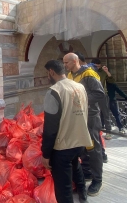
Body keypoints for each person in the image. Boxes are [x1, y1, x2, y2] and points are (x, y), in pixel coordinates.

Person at [41, 60, 91, 203]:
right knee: (76, 166)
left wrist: (46, 153)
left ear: (51, 72)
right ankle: (83, 194)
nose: (47, 77)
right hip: (80, 141)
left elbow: (50, 127)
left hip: (62, 147)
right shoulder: (80, 87)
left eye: (47, 73)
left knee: (64, 188)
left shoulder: (54, 91)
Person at [63, 53, 106, 197]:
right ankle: (87, 172)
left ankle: (97, 180)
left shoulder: (89, 74)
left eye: (67, 63)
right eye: (64, 63)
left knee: (93, 148)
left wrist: (80, 100)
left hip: (91, 117)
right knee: (82, 147)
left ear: (75, 61)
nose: (65, 65)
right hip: (77, 117)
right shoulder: (69, 75)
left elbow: (99, 94)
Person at [90, 58, 115, 140]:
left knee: (105, 113)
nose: (97, 68)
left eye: (98, 66)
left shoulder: (102, 72)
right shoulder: (89, 72)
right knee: (94, 113)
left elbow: (112, 81)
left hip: (102, 95)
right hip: (92, 95)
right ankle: (97, 130)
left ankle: (108, 131)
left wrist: (107, 71)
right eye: (95, 66)